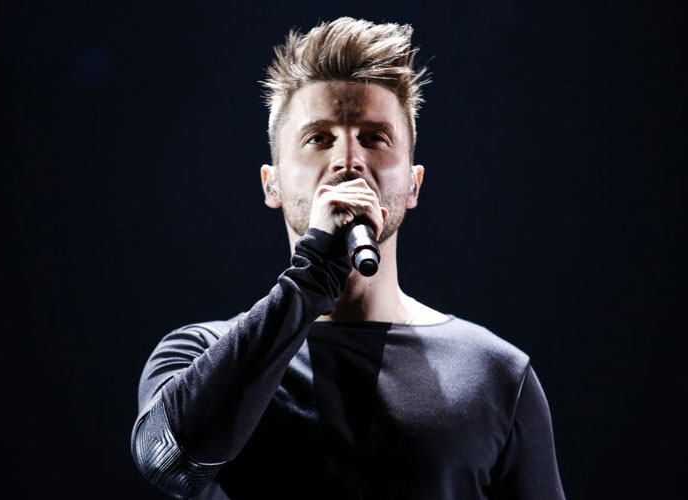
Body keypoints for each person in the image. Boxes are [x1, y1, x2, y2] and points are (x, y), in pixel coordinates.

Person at [131, 17, 565, 500]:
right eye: (319, 138)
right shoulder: (202, 353)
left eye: (374, 137)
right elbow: (168, 462)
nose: (348, 161)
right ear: (272, 184)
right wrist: (313, 274)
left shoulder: (495, 373)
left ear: (413, 184)